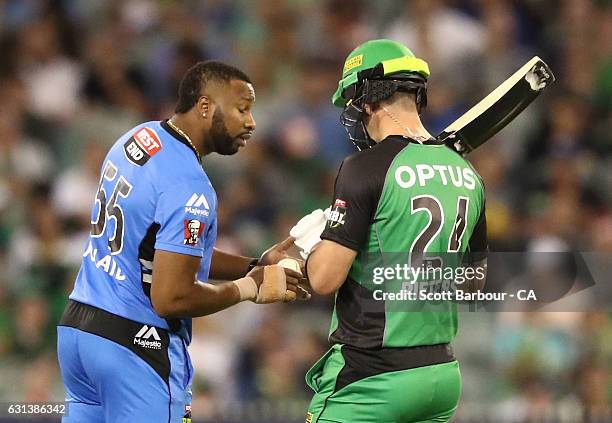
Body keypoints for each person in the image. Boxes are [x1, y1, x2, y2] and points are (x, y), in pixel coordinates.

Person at [57, 60, 306, 423]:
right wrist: (248, 288)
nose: (251, 122)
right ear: (205, 106)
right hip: (137, 345)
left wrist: (254, 266)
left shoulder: (138, 137)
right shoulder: (190, 185)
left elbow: (164, 248)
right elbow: (171, 296)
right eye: (242, 109)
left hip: (81, 332)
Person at [302, 40, 488, 423]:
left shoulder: (364, 168)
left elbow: (324, 280)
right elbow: (473, 283)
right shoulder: (468, 172)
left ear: (369, 99)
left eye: (354, 103)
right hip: (439, 376)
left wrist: (312, 245)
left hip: (371, 378)